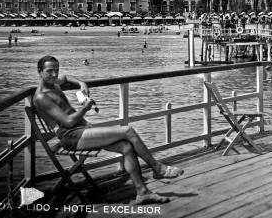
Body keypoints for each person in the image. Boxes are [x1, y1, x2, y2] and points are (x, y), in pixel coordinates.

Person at [33, 56, 183, 204]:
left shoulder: (54, 83)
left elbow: (65, 78)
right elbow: (69, 121)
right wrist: (86, 108)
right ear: (40, 72)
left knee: (127, 147)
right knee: (128, 131)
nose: (54, 74)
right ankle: (157, 168)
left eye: (56, 70)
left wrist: (81, 83)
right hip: (71, 136)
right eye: (49, 71)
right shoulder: (41, 97)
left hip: (82, 129)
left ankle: (142, 193)